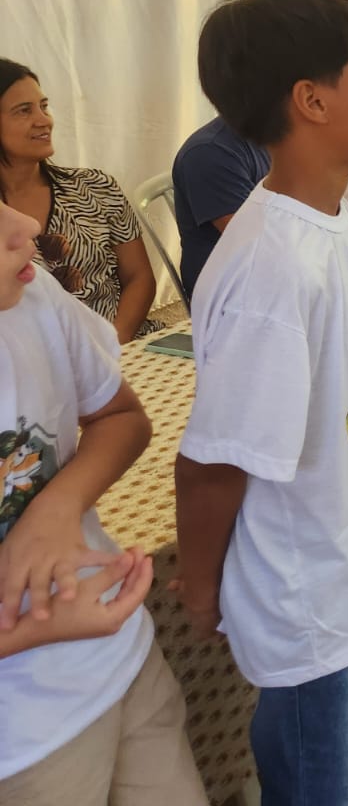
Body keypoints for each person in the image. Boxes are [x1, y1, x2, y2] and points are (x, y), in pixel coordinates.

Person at [173, 0, 348, 803]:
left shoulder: (332, 222)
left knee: (341, 767)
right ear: (312, 100)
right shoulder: (273, 266)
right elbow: (215, 460)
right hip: (311, 596)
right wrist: (198, 583)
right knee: (325, 786)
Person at [0, 199, 207, 803]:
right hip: (22, 742)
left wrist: (57, 507)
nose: (28, 226)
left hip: (117, 659)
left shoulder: (31, 294)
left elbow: (119, 415)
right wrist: (28, 633)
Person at [0, 59, 156, 342]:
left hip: (119, 346)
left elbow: (139, 277)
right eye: (24, 111)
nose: (44, 120)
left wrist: (110, 348)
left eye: (43, 106)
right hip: (32, 365)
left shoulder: (95, 187)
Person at [170, 116, 271, 303]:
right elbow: (258, 246)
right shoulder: (209, 152)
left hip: (270, 275)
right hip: (233, 295)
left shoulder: (282, 135)